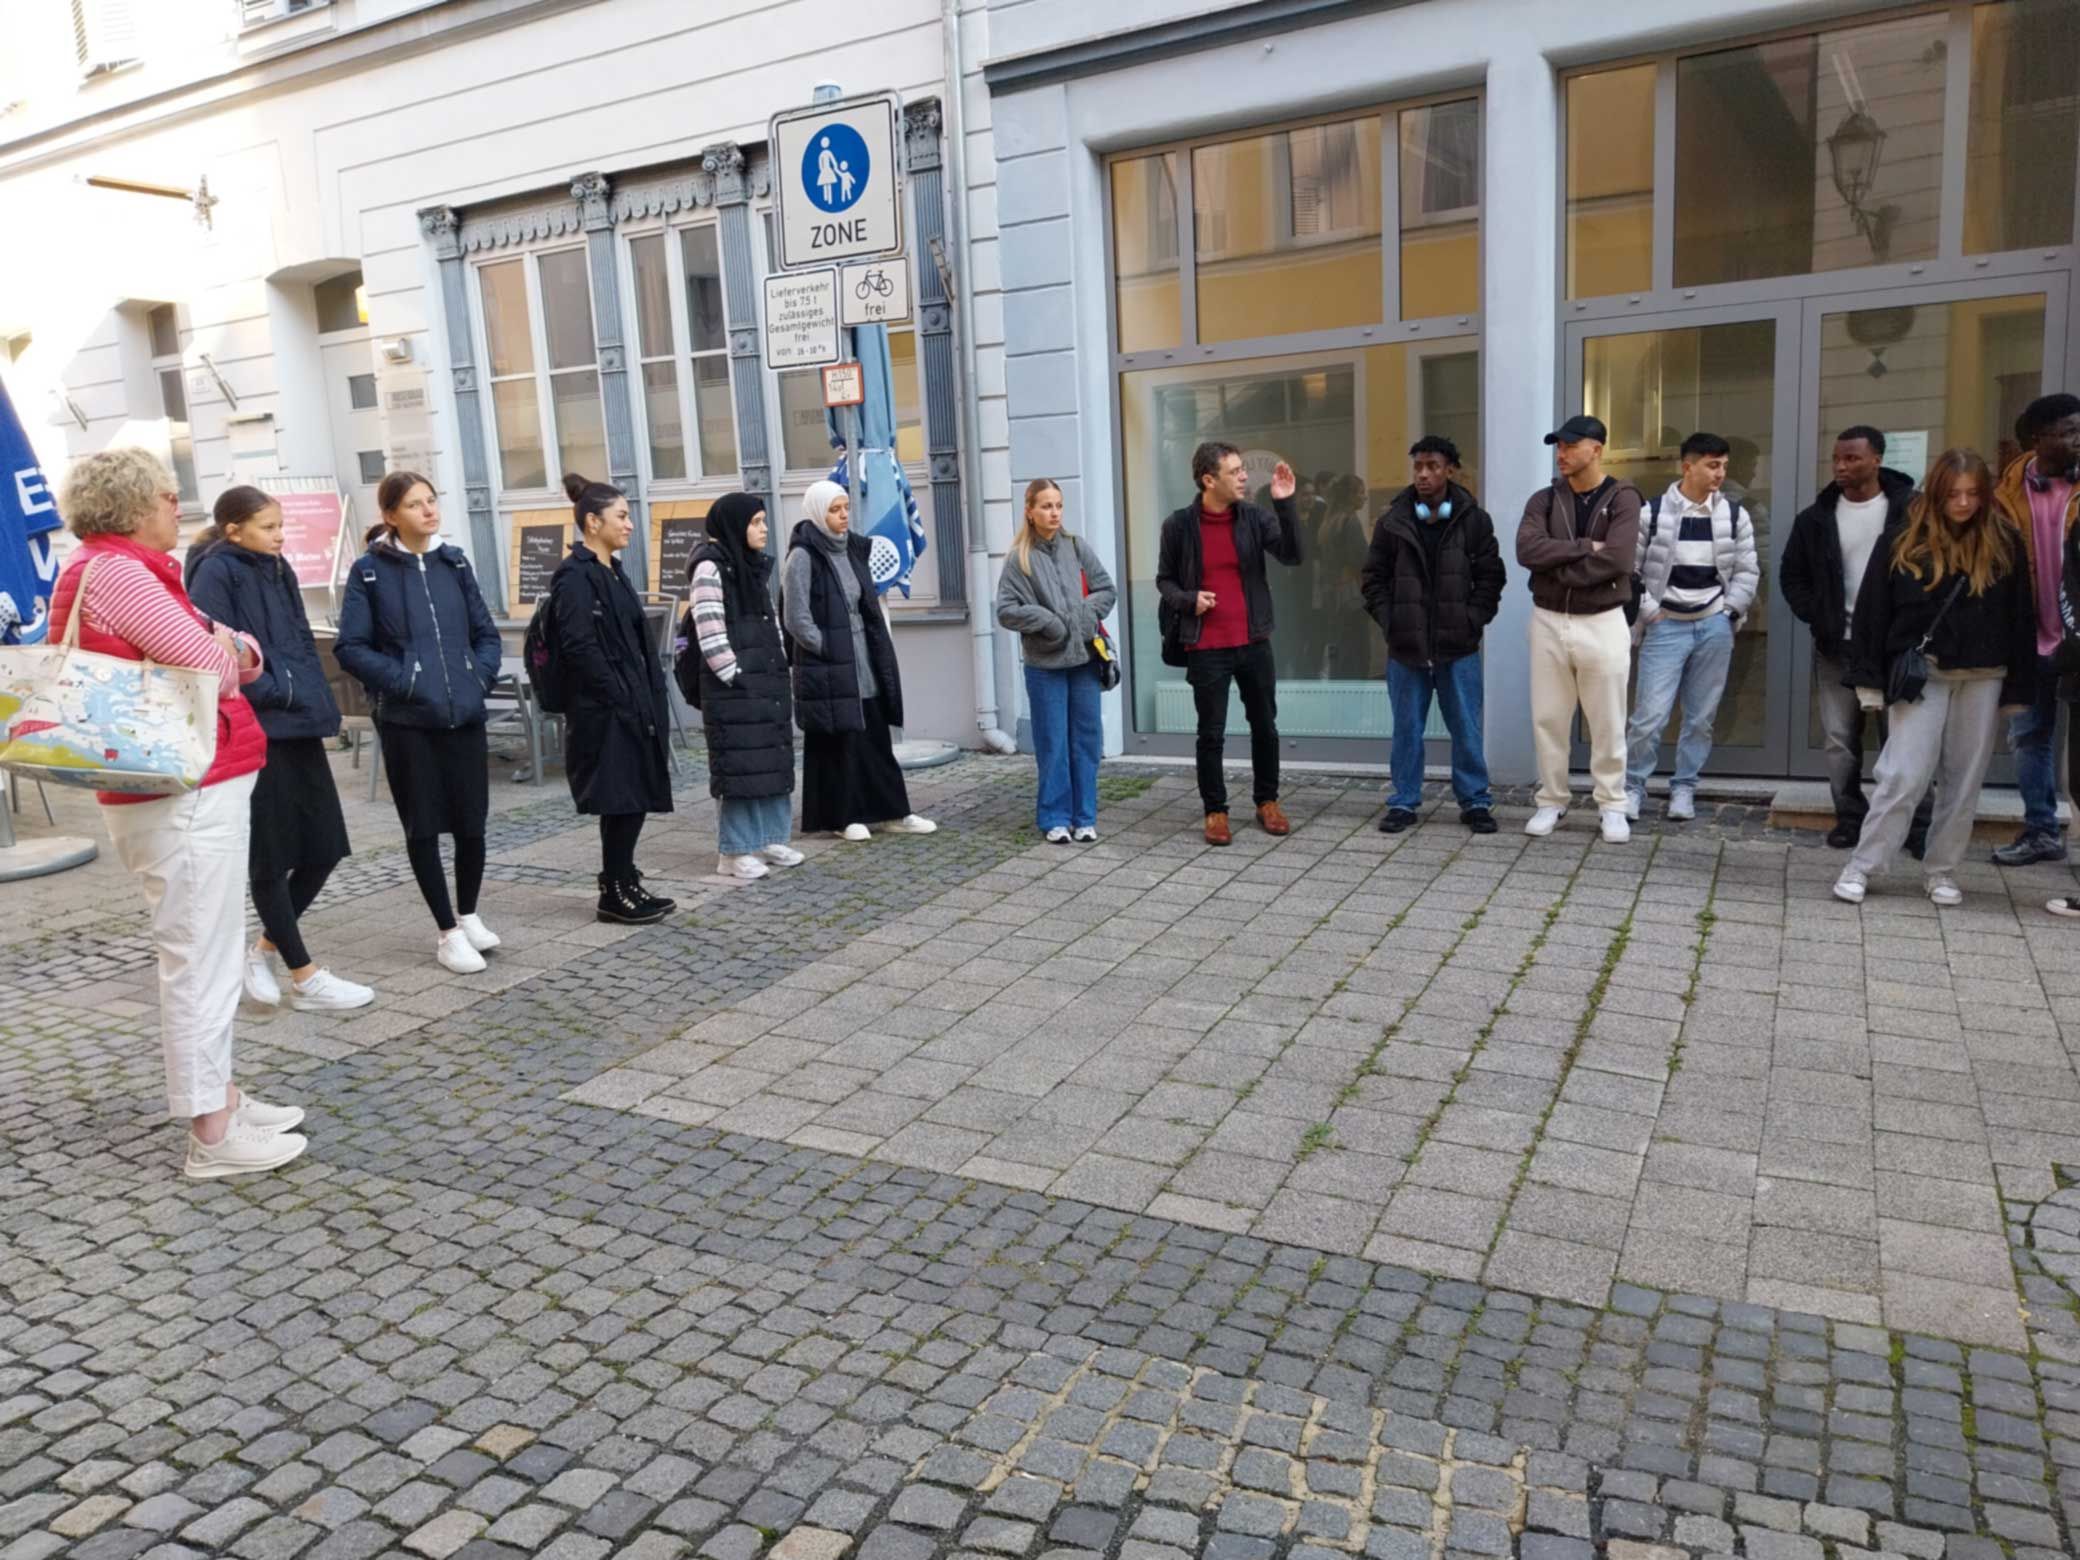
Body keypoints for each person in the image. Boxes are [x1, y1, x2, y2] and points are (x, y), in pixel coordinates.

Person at [48, 450, 305, 1178]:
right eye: (166, 494)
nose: (176, 505)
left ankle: (221, 1096)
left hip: (176, 787)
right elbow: (214, 665)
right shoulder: (122, 574)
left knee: (204, 949)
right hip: (182, 790)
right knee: (201, 958)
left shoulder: (113, 568)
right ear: (133, 505)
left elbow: (232, 653)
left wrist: (231, 646)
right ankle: (212, 1133)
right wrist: (230, 645)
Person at [187, 487, 372, 1013]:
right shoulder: (215, 573)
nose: (280, 535)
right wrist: (279, 692)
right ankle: (305, 977)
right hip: (256, 729)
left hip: (300, 722)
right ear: (234, 530)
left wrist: (312, 700)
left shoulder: (278, 567)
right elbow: (216, 655)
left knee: (325, 847)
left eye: (280, 525)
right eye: (268, 527)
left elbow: (296, 641)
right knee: (270, 856)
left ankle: (263, 951)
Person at [1834, 449, 2035, 908]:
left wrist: (2020, 686)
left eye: (1973, 494)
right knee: (1903, 775)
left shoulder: (2003, 539)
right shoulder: (1904, 537)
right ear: (1937, 492)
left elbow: (2020, 614)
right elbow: (1873, 610)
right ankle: (1863, 864)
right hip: (1922, 672)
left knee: (1964, 780)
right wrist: (1869, 679)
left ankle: (1941, 870)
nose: (1963, 503)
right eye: (1953, 494)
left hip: (1985, 673)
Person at [335, 471, 505, 973]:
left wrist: (476, 678)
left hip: (464, 714)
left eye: (432, 500)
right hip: (409, 721)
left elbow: (486, 634)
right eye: (414, 504)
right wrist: (407, 682)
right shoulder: (370, 572)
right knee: (424, 826)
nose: (429, 510)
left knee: (472, 823)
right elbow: (351, 647)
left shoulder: (454, 563)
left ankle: (468, 914)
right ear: (391, 515)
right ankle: (447, 933)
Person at [1782, 427, 1931, 852]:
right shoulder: (1815, 518)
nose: (1841, 466)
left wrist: (1912, 625)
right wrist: (1820, 616)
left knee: (1903, 740)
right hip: (1837, 647)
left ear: (1876, 460)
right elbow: (1792, 577)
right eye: (1837, 458)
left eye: (1852, 458)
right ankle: (1849, 818)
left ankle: (1917, 824)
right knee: (1839, 739)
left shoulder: (1912, 510)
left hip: (1894, 647)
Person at [1155, 441, 1302, 846]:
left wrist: (1285, 504)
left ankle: (1267, 801)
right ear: (1209, 480)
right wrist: (1189, 600)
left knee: (1265, 726)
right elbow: (1164, 580)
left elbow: (1292, 555)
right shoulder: (1178, 526)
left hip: (1254, 641)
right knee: (1211, 733)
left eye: (1242, 469)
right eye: (1234, 471)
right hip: (1206, 646)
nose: (1243, 476)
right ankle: (1215, 810)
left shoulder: (1254, 517)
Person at [1359, 435, 1504, 835]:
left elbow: (1491, 577)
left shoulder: (1474, 520)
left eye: (1432, 466)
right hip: (1406, 648)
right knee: (1406, 729)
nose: (1423, 474)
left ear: (1450, 470)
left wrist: (1472, 620)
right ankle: (1403, 802)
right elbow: (1373, 578)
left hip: (1458, 647)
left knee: (1466, 728)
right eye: (1418, 467)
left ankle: (1475, 801)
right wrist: (1391, 621)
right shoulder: (1393, 521)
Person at [550, 473, 676, 923]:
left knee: (633, 795)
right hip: (604, 710)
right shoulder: (574, 577)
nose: (629, 524)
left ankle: (624, 881)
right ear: (592, 522)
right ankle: (613, 892)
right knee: (620, 796)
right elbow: (579, 646)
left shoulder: (613, 571)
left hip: (632, 702)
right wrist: (618, 694)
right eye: (621, 516)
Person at [782, 480, 936, 841]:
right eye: (834, 510)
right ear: (817, 512)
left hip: (864, 656)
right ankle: (841, 816)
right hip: (830, 664)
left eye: (846, 508)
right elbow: (795, 617)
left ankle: (891, 812)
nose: (843, 516)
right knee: (839, 743)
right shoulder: (803, 556)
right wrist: (827, 647)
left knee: (875, 734)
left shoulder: (853, 548)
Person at [1622, 432, 1761, 823]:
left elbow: (1748, 569)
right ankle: (1632, 788)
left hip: (1713, 625)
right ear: (1688, 466)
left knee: (1701, 718)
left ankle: (1684, 787)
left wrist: (1729, 612)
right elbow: (1629, 569)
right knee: (1649, 717)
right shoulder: (1651, 513)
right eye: (1712, 465)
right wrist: (1650, 611)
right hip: (1665, 625)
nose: (1720, 474)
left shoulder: (1734, 515)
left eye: (1724, 466)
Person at [1515, 414, 1641, 842]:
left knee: (1608, 721)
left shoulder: (1623, 497)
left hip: (1603, 621)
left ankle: (1612, 805)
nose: (1561, 454)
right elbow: (1527, 549)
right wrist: (1586, 548)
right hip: (1548, 620)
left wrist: (1559, 570)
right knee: (1548, 718)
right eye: (1558, 446)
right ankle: (1552, 800)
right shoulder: (1544, 499)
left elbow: (1619, 559)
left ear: (1597, 448)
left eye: (1570, 445)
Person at [995, 477, 1117, 843]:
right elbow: (1006, 610)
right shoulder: (1019, 559)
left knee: (1087, 741)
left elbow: (1106, 589)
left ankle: (1085, 818)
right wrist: (1047, 622)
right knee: (1053, 743)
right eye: (1046, 506)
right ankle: (1055, 819)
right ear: (1030, 511)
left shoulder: (1076, 546)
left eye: (1059, 506)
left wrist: (1083, 616)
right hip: (1045, 667)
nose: (1054, 513)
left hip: (1084, 662)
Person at [688, 491, 800, 878]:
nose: (764, 528)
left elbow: (771, 623)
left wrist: (778, 666)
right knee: (740, 768)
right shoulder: (710, 567)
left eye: (764, 521)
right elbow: (709, 628)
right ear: (735, 525)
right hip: (737, 687)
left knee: (771, 762)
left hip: (765, 679)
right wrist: (734, 675)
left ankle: (769, 839)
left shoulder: (752, 566)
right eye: (755, 522)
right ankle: (734, 852)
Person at [1989, 393, 2080, 867]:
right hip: (2028, 636)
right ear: (2037, 439)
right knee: (2029, 737)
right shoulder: (2004, 492)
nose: (2078, 440)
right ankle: (2041, 831)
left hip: (2077, 638)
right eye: (2068, 432)